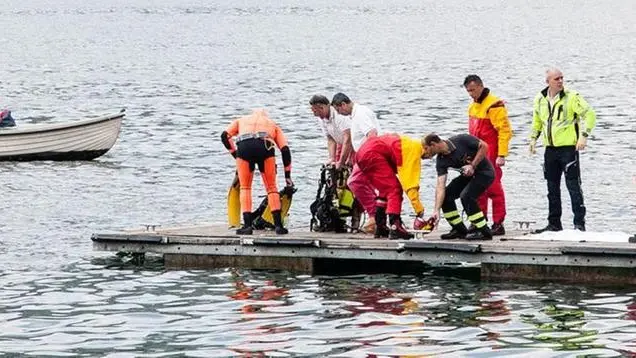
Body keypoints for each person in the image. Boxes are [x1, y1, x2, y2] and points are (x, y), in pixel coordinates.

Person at [529, 68, 596, 233]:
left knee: (573, 186)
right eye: (556, 79)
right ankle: (554, 223)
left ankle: (579, 224)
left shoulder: (572, 97)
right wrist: (533, 139)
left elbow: (590, 114)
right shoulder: (540, 99)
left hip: (568, 149)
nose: (560, 81)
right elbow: (537, 120)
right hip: (550, 149)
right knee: (552, 187)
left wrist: (584, 136)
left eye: (561, 78)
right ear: (548, 82)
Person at [221, 109, 293, 235]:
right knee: (271, 187)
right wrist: (287, 175)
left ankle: (247, 226)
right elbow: (285, 150)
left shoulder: (241, 120)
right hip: (265, 146)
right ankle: (278, 226)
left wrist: (235, 154)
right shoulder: (272, 124)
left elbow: (224, 136)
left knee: (245, 188)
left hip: (244, 146)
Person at [309, 94, 368, 232]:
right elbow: (331, 139)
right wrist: (332, 159)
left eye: (315, 111)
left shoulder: (339, 116)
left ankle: (356, 219)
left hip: (355, 146)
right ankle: (337, 219)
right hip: (342, 144)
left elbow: (349, 138)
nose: (314, 114)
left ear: (322, 107)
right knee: (335, 185)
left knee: (354, 183)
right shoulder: (322, 119)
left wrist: (343, 161)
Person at [356, 133, 431, 240]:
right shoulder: (414, 150)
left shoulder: (406, 142)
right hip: (372, 154)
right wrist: (419, 208)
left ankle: (380, 226)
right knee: (394, 189)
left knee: (384, 190)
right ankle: (395, 227)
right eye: (431, 154)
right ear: (427, 148)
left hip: (362, 153)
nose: (429, 158)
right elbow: (410, 184)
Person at [464, 75, 512, 235]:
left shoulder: (494, 104)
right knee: (478, 189)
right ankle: (479, 221)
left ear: (480, 86)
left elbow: (504, 131)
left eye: (472, 90)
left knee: (494, 188)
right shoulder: (473, 107)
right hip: (477, 154)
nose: (471, 94)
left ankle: (498, 223)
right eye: (468, 91)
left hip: (491, 154)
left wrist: (502, 154)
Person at [424, 133, 494, 240]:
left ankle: (484, 231)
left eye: (426, 149)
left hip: (484, 173)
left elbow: (484, 146)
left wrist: (472, 165)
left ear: (433, 144)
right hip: (468, 176)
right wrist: (436, 210)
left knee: (466, 196)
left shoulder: (461, 140)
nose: (425, 153)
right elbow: (440, 186)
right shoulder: (441, 160)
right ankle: (459, 230)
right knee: (446, 196)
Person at [331, 93, 380, 233]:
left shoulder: (360, 114)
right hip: (364, 154)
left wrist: (366, 155)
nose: (339, 114)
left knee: (354, 182)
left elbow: (372, 134)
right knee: (368, 185)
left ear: (343, 105)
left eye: (339, 110)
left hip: (368, 155)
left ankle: (374, 214)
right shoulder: (356, 114)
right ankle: (377, 216)